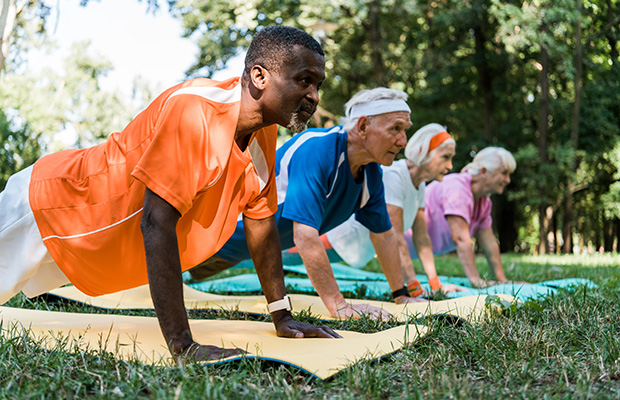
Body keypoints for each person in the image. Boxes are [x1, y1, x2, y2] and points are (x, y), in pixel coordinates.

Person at [0, 25, 340, 362]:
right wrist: (182, 344)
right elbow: (156, 222)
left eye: (318, 85)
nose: (314, 96)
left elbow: (261, 225)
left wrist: (282, 315)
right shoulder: (194, 111)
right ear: (259, 76)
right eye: (305, 80)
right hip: (48, 206)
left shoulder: (263, 135)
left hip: (88, 244)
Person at [190, 87, 426, 319]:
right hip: (207, 234)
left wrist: (401, 294)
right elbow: (305, 236)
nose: (403, 141)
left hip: (238, 252)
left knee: (189, 275)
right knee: (160, 274)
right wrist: (339, 305)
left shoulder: (371, 172)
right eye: (396, 129)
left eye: (405, 130)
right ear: (363, 126)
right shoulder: (317, 149)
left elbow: (383, 236)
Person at [325, 123, 466, 296]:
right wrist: (414, 289)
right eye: (445, 157)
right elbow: (397, 238)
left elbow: (422, 239)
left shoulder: (419, 184)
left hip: (356, 250)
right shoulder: (394, 176)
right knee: (285, 255)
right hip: (336, 240)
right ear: (424, 153)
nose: (450, 166)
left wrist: (435, 284)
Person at [403, 146, 517, 287]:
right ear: (483, 172)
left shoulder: (484, 202)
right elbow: (461, 238)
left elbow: (489, 243)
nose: (508, 180)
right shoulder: (457, 188)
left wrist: (502, 280)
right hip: (398, 241)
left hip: (413, 250)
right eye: (504, 173)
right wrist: (475, 280)